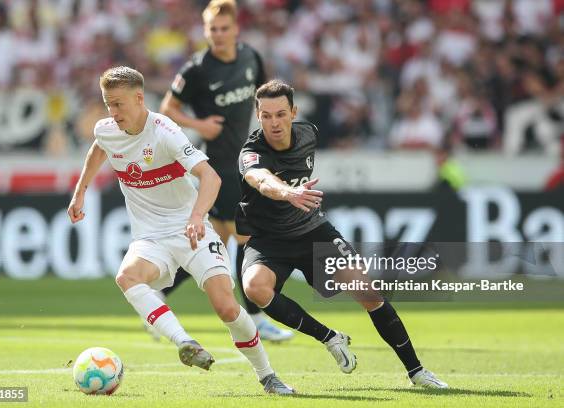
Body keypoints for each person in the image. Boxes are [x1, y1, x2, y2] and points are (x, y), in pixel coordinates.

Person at [67, 66, 294, 395]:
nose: (112, 113)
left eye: (118, 104)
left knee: (227, 309)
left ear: (139, 98)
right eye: (107, 104)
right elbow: (98, 148)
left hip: (192, 230)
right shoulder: (106, 129)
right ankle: (185, 342)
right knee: (126, 276)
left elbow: (211, 177)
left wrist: (197, 216)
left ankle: (267, 375)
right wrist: (81, 191)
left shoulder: (165, 131)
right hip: (150, 237)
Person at [236, 79, 449, 389]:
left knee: (369, 293)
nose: (274, 123)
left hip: (312, 233)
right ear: (258, 116)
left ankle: (417, 371)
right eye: (266, 115)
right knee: (255, 287)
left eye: (280, 114)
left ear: (294, 112)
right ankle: (329, 338)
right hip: (269, 239)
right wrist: (287, 193)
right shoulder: (251, 153)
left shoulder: (308, 133)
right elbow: (261, 180)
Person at [159, 0, 292, 342]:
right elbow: (166, 109)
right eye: (212, 30)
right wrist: (199, 124)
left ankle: (157, 296)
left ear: (235, 29)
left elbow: (264, 97)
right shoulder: (197, 68)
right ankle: (258, 316)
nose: (218, 35)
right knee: (247, 237)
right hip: (216, 165)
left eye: (223, 28)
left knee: (216, 240)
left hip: (245, 158)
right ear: (206, 32)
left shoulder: (250, 57)